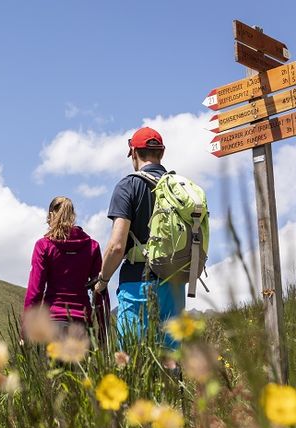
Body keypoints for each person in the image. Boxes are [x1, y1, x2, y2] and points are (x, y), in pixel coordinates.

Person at [94, 127, 186, 349]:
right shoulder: (180, 187)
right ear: (161, 154)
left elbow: (116, 246)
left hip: (138, 283)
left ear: (133, 153)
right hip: (174, 283)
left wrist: (102, 281)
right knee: (170, 361)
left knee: (133, 361)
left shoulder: (128, 186)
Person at [24, 196, 109, 339]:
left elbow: (35, 291)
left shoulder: (44, 245)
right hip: (81, 326)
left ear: (50, 215)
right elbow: (100, 290)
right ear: (73, 216)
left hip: (52, 324)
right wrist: (102, 331)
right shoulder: (92, 246)